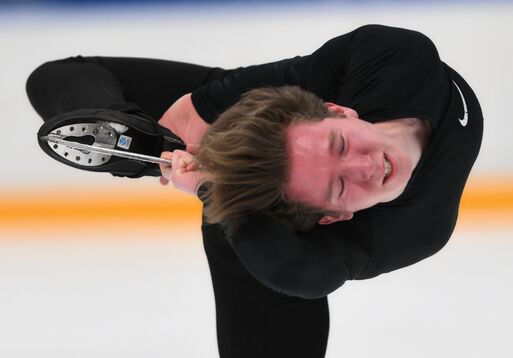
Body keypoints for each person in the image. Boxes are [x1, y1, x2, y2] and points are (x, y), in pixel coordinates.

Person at [26, 24, 483, 358]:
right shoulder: (378, 62)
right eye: (338, 167)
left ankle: (203, 174)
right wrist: (183, 125)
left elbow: (300, 273)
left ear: (342, 113)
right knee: (59, 76)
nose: (367, 165)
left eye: (339, 173)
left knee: (247, 236)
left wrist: (211, 186)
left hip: (265, 218)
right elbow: (195, 109)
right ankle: (138, 137)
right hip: (282, 121)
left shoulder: (410, 226)